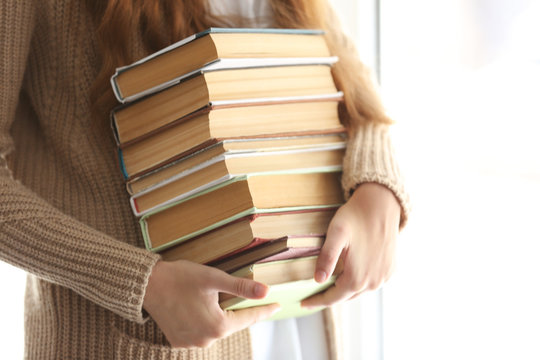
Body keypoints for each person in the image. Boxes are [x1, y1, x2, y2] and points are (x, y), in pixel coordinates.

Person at [0, 0, 410, 358]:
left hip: (297, 324)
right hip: (130, 341)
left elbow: (351, 93)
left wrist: (378, 190)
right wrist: (141, 283)